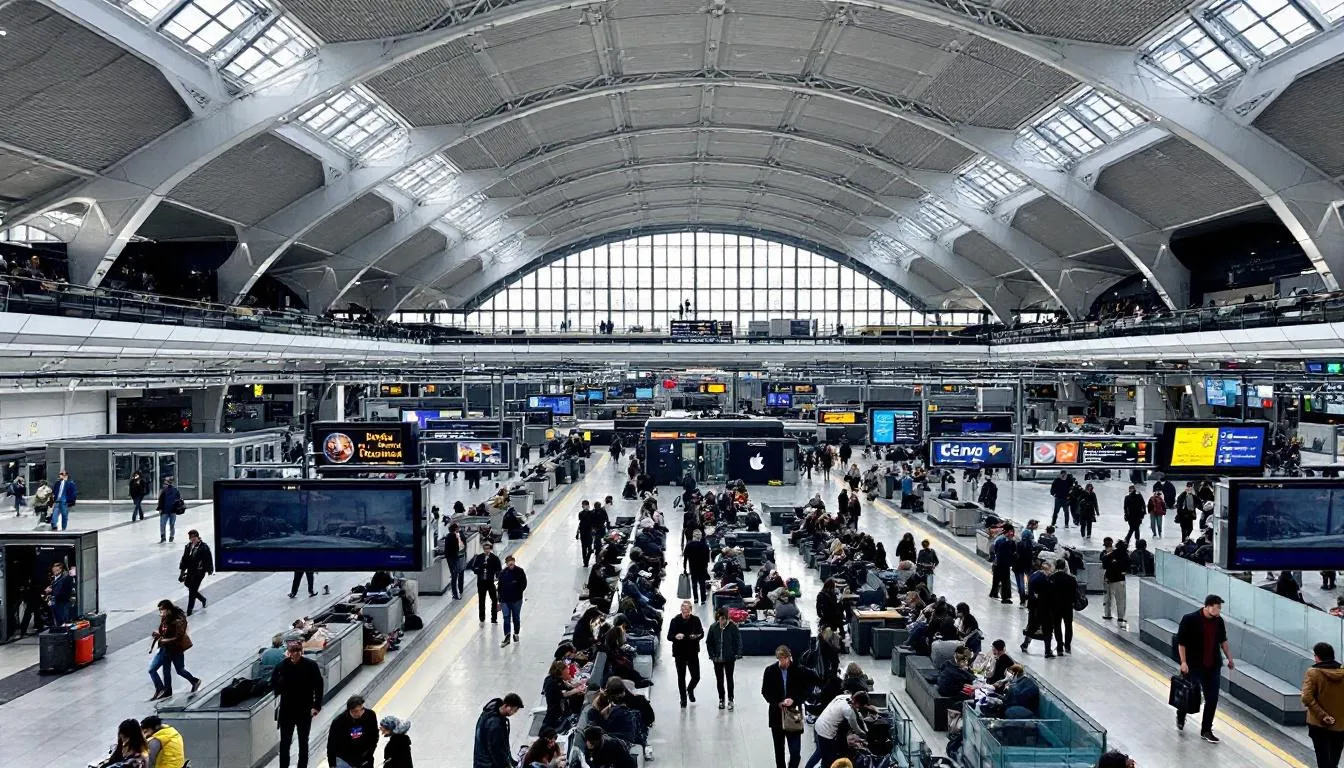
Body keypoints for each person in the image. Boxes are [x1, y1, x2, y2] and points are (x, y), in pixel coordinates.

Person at [1176, 594, 1235, 742]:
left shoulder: (1218, 621)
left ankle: (1206, 729)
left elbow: (1223, 641)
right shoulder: (1190, 619)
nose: (1219, 611)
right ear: (1208, 606)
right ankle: (1181, 714)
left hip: (1212, 665)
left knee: (1212, 698)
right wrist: (1183, 662)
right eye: (1217, 607)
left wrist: (1229, 658)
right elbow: (1181, 642)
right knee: (1189, 695)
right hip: (1193, 665)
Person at [272, 639, 325, 768]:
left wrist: (316, 706)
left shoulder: (311, 666)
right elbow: (274, 686)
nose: (295, 654)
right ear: (288, 652)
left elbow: (319, 686)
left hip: (304, 710)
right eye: (292, 651)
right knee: (285, 742)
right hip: (287, 711)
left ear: (301, 651)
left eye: (298, 651)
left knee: (303, 742)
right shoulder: (281, 667)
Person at [762, 645, 809, 768]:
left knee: (795, 752)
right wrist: (777, 703)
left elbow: (805, 691)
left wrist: (794, 700)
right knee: (779, 751)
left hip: (794, 713)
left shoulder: (798, 670)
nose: (782, 662)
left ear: (789, 657)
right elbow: (765, 692)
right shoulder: (770, 671)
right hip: (776, 715)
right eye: (779, 659)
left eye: (784, 658)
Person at [149, 599, 200, 699]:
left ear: (168, 609)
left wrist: (165, 640)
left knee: (180, 670)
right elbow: (164, 631)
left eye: (161, 610)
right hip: (165, 649)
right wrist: (158, 634)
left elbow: (178, 636)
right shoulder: (165, 618)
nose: (160, 612)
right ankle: (164, 690)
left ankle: (194, 681)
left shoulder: (177, 621)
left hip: (176, 649)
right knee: (155, 670)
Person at [804, 691, 870, 768]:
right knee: (829, 760)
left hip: (819, 724)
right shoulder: (848, 710)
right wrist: (866, 735)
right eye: (861, 705)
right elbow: (856, 728)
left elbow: (858, 715)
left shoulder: (843, 697)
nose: (860, 708)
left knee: (820, 752)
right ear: (858, 703)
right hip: (826, 733)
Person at [667, 600, 704, 707]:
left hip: (692, 651)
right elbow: (669, 636)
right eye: (684, 612)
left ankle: (690, 689)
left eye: (688, 612)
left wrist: (696, 636)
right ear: (681, 611)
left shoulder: (696, 620)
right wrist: (676, 636)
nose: (686, 614)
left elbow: (701, 633)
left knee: (696, 676)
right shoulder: (675, 620)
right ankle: (683, 699)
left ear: (691, 611)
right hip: (680, 652)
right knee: (681, 677)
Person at [472, 692, 523, 768]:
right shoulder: (495, 724)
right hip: (487, 764)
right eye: (513, 710)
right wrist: (505, 766)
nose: (513, 713)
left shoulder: (490, 712)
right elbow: (496, 750)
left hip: (482, 760)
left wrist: (510, 760)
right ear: (506, 706)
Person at [327, 694, 379, 768]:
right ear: (350, 710)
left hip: (364, 757)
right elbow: (331, 744)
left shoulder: (370, 715)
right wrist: (332, 764)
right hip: (345, 759)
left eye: (362, 709)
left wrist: (369, 752)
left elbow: (374, 736)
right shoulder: (338, 722)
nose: (360, 713)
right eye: (356, 711)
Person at [707, 605, 742, 710]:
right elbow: (709, 642)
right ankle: (721, 699)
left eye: (723, 619)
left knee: (729, 679)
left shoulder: (733, 627)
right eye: (719, 619)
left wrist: (736, 654)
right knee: (719, 680)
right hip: (717, 659)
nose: (721, 621)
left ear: (727, 618)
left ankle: (730, 700)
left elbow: (738, 641)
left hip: (729, 658)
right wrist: (712, 655)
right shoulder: (713, 627)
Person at [1020, 560, 1055, 658]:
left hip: (1034, 607)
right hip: (1043, 608)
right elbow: (1047, 593)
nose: (1051, 572)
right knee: (1047, 629)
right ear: (1047, 569)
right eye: (1051, 570)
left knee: (1032, 627)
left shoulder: (1034, 575)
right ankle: (1047, 651)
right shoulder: (1044, 579)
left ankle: (1025, 644)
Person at [542, 659, 587, 728]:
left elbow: (567, 686)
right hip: (555, 705)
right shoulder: (553, 682)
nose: (568, 672)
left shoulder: (555, 679)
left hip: (557, 704)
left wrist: (578, 684)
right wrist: (577, 689)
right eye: (566, 671)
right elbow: (563, 695)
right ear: (560, 672)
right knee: (551, 719)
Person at [178, 529, 213, 615]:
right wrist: (181, 573)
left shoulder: (204, 547)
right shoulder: (188, 547)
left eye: (194, 537)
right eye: (191, 537)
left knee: (192, 591)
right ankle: (202, 599)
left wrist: (209, 569)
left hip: (199, 572)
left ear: (198, 537)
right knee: (188, 585)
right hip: (190, 571)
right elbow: (184, 560)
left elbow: (209, 559)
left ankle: (189, 610)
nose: (192, 539)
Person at [1049, 557, 1078, 655]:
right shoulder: (1071, 579)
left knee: (1057, 626)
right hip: (1068, 606)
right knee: (1068, 625)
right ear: (1065, 566)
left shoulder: (1052, 578)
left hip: (1055, 606)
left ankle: (1060, 647)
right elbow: (1075, 594)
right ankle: (1068, 646)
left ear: (1056, 566)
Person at [469, 540, 502, 625]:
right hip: (481, 582)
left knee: (494, 599)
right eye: (485, 549)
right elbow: (473, 567)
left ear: (490, 549)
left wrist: (497, 576)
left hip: (490, 582)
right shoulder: (479, 557)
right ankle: (482, 617)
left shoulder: (494, 558)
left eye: (488, 549)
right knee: (481, 600)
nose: (486, 550)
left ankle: (494, 618)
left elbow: (499, 568)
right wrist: (478, 570)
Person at [498, 554, 527, 646]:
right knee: (506, 618)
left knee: (516, 617)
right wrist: (499, 601)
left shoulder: (520, 571)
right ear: (506, 564)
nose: (511, 563)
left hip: (516, 600)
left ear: (514, 562)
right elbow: (499, 587)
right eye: (508, 562)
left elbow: (524, 583)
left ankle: (516, 633)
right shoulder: (502, 573)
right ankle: (507, 636)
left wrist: (518, 591)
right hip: (505, 600)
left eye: (512, 561)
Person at [1100, 537, 1128, 627]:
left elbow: (1104, 564)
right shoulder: (1125, 555)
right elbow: (1129, 565)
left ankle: (1107, 614)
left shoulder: (1109, 555)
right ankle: (1121, 617)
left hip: (1109, 579)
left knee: (1107, 597)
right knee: (1121, 600)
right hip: (1120, 579)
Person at [683, 528, 712, 604]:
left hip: (692, 568)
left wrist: (684, 568)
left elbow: (685, 558)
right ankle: (703, 600)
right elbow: (707, 559)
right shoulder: (705, 546)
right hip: (702, 568)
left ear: (693, 536)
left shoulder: (689, 545)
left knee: (694, 583)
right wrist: (705, 567)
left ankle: (695, 598)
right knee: (702, 583)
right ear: (700, 536)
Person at [990, 525, 1017, 604]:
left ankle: (993, 593)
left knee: (996, 579)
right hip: (1003, 564)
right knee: (1006, 581)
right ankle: (1005, 598)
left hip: (997, 563)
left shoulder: (999, 539)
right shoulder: (1005, 541)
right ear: (1008, 531)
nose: (1012, 533)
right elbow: (1009, 553)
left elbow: (993, 549)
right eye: (1011, 531)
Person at [46, 559, 75, 625]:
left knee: (63, 622)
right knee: (57, 621)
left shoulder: (65, 578)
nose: (55, 572)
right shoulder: (54, 578)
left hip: (62, 604)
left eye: (57, 570)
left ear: (61, 570)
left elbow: (63, 591)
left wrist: (51, 590)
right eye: (54, 570)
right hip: (56, 603)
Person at [444, 522, 468, 600]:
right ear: (456, 528)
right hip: (460, 557)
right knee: (460, 574)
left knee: (454, 576)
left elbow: (447, 550)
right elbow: (463, 546)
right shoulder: (459, 535)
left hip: (452, 559)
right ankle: (460, 591)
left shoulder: (449, 536)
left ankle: (455, 594)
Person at [157, 476, 181, 543]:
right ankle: (171, 536)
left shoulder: (164, 491)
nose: (164, 485)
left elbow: (160, 501)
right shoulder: (175, 490)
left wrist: (160, 509)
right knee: (171, 524)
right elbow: (178, 500)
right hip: (172, 510)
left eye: (165, 483)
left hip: (166, 511)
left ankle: (164, 537)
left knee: (163, 524)